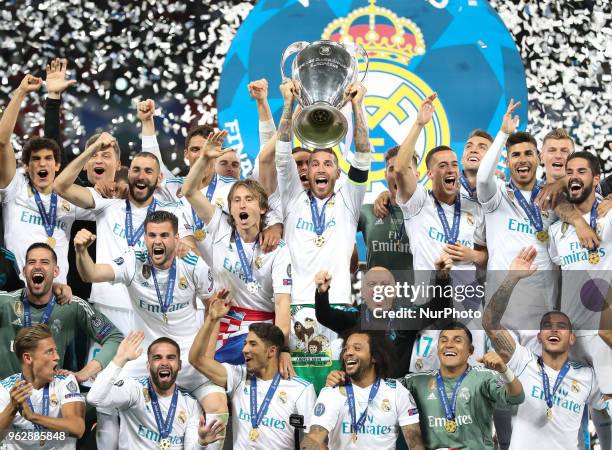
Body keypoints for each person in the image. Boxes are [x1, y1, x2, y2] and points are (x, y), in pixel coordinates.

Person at [73, 210, 226, 448]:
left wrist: (207, 357)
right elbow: (90, 273)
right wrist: (81, 251)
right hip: (146, 358)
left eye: (164, 235)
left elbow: (212, 309)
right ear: (144, 238)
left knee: (218, 406)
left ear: (177, 239)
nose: (157, 241)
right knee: (104, 401)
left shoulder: (194, 265)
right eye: (151, 235)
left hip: (189, 357)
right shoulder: (133, 260)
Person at [275, 79, 371, 389]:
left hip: (338, 310)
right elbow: (281, 152)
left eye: (328, 163)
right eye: (314, 163)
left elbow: (363, 154)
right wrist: (288, 104)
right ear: (306, 171)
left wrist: (358, 107)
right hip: (297, 309)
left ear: (336, 172)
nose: (320, 168)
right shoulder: (291, 197)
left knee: (335, 396)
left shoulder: (347, 200)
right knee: (299, 400)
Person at [476, 100, 598, 338]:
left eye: (528, 153)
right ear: (508, 161)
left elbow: (567, 206)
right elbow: (481, 179)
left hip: (545, 315)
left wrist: (580, 221)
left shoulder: (550, 194)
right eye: (515, 155)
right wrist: (502, 134)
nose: (522, 159)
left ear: (537, 159)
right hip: (502, 311)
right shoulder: (496, 195)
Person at [482, 247, 610, 450]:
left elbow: (607, 405)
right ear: (539, 337)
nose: (554, 330)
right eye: (547, 326)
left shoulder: (588, 376)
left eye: (562, 327)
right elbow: (490, 323)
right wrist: (512, 278)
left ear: (572, 338)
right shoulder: (523, 361)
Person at [182, 140, 293, 372]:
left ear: (262, 208)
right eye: (236, 201)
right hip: (221, 323)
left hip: (261, 332)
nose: (242, 205)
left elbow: (283, 305)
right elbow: (189, 191)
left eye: (249, 199)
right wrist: (204, 159)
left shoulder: (279, 249)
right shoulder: (221, 227)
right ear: (230, 209)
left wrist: (283, 350)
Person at [189, 291, 316, 449]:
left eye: (253, 344)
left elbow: (314, 439)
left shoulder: (301, 389)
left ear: (271, 351)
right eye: (245, 344)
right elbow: (196, 359)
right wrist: (212, 319)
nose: (245, 350)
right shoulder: (238, 377)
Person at [547, 152, 612, 448]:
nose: (574, 176)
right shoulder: (556, 229)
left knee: (607, 409)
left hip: (605, 331)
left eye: (582, 171)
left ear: (596, 180)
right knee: (574, 414)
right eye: (569, 171)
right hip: (573, 335)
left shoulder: (609, 215)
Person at [0, 74, 91, 284]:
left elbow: (110, 207)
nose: (42, 164)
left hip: (58, 295)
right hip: (16, 290)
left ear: (57, 166)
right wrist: (21, 91)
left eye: (49, 159)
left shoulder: (71, 198)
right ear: (26, 166)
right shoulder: (16, 188)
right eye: (36, 159)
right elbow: (3, 141)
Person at [0, 242, 122, 380]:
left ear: (56, 271)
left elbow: (114, 337)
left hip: (49, 396)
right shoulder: (5, 302)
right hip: (7, 396)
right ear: (24, 271)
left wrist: (85, 373)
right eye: (31, 262)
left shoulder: (72, 305)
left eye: (45, 262)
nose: (37, 266)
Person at [391, 323, 523, 449]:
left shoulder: (485, 378)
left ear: (470, 350)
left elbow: (517, 397)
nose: (449, 345)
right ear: (437, 349)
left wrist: (505, 370)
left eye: (457, 340)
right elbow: (382, 389)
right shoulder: (417, 381)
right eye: (443, 340)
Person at [87, 331, 225, 449]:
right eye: (157, 358)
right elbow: (94, 398)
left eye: (171, 358)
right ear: (148, 365)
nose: (164, 362)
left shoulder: (191, 403)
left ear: (180, 365)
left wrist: (201, 443)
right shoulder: (135, 390)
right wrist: (120, 358)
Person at [302, 329, 425, 449]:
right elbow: (313, 439)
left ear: (374, 357)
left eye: (357, 348)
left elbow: (415, 445)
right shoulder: (332, 392)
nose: (348, 353)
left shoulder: (397, 392)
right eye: (346, 348)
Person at [0, 324, 85, 448]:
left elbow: (78, 428)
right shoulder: (6, 388)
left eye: (55, 350)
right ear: (28, 358)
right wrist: (12, 408)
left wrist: (32, 417)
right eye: (49, 352)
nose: (57, 357)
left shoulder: (65, 381)